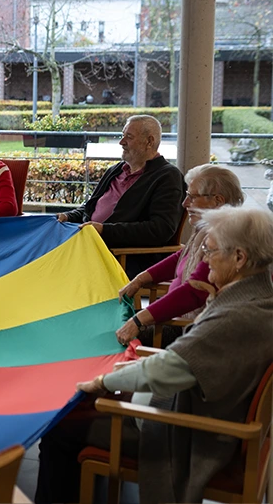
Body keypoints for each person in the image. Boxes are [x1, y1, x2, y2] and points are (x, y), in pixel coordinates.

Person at [36, 205, 273, 504]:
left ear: (239, 258)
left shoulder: (238, 316)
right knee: (85, 406)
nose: (204, 260)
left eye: (210, 252)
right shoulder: (259, 296)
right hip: (207, 416)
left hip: (192, 435)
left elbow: (168, 370)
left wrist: (103, 381)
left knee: (60, 427)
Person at [115, 165, 243, 347]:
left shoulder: (225, 238)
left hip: (188, 330)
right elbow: (182, 256)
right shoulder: (208, 229)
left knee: (109, 338)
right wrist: (140, 279)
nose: (184, 203)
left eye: (192, 197)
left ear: (217, 201)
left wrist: (139, 319)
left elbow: (195, 292)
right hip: (173, 318)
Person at [57, 115, 184, 272]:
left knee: (55, 269)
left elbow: (160, 229)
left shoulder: (167, 177)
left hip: (125, 258)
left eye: (128, 137)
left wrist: (104, 230)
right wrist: (69, 216)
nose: (121, 142)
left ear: (149, 142)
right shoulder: (116, 170)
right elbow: (91, 207)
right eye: (122, 136)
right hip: (92, 248)